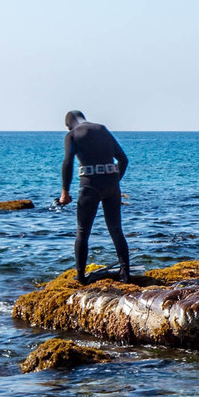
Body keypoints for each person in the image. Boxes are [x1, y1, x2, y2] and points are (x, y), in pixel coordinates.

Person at [55, 111, 130, 283]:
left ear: (68, 124)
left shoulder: (72, 134)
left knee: (82, 232)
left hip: (90, 187)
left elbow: (68, 162)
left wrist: (65, 192)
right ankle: (125, 274)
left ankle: (80, 278)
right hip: (112, 185)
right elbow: (123, 160)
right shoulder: (102, 129)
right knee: (116, 230)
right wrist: (114, 182)